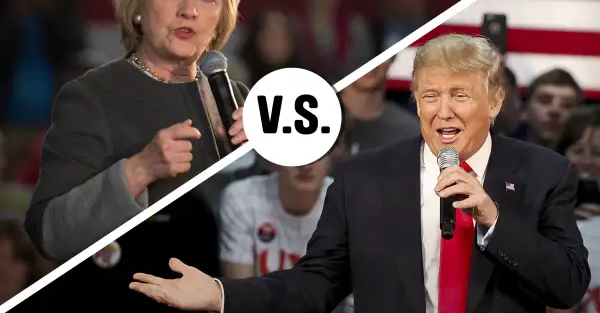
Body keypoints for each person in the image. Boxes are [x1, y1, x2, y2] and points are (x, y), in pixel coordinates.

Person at [129, 34, 590, 313]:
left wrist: (493, 220)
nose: (443, 111)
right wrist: (218, 294)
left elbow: (568, 286)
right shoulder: (364, 177)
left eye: (460, 95)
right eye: (430, 95)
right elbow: (315, 285)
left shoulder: (544, 172)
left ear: (494, 102)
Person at [24, 0, 248, 263]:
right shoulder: (91, 97)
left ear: (220, 17)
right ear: (139, 6)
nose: (189, 9)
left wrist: (264, 164)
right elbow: (49, 232)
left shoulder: (238, 100)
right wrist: (139, 170)